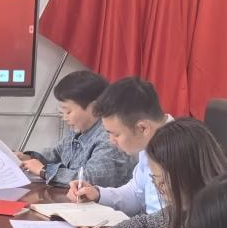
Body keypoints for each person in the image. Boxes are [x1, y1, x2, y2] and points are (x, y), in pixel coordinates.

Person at [73, 118, 227, 228]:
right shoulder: (189, 204)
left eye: (161, 181)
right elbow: (146, 224)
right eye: (154, 180)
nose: (158, 188)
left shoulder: (220, 220)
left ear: (188, 174)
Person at [67, 76, 171, 215]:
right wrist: (97, 194)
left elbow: (168, 218)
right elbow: (136, 193)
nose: (111, 141)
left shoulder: (182, 148)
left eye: (116, 134)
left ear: (142, 128)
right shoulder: (150, 141)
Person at [15, 70, 135, 187]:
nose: (64, 118)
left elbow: (90, 179)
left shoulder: (110, 137)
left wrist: (44, 171)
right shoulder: (77, 130)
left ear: (95, 108)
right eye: (62, 112)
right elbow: (55, 155)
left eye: (68, 111)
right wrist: (28, 158)